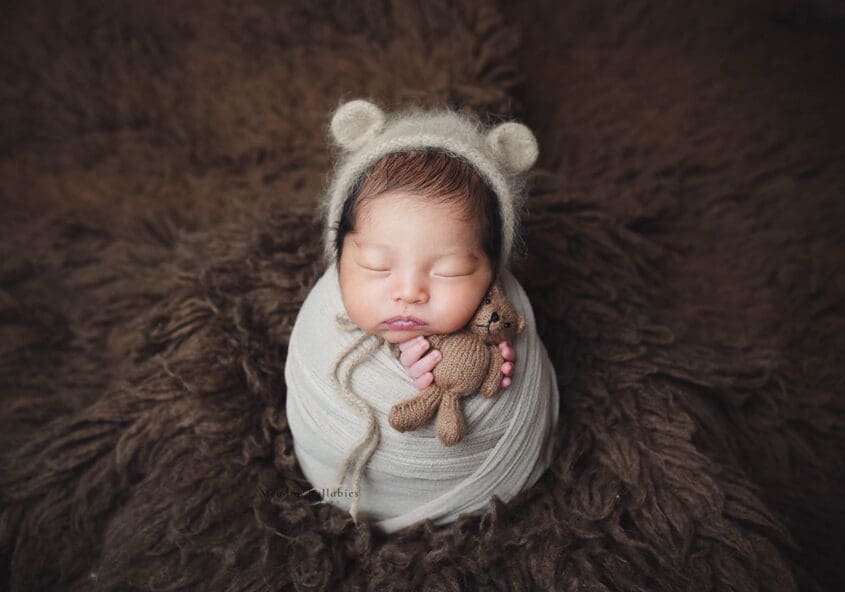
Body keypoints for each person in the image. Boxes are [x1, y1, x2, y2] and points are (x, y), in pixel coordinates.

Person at [285, 99, 559, 533]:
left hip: (487, 494)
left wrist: (492, 370)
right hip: (348, 486)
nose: (409, 292)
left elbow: (502, 373)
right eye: (376, 265)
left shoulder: (503, 318)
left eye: (450, 270)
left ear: (492, 272)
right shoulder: (324, 319)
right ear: (340, 256)